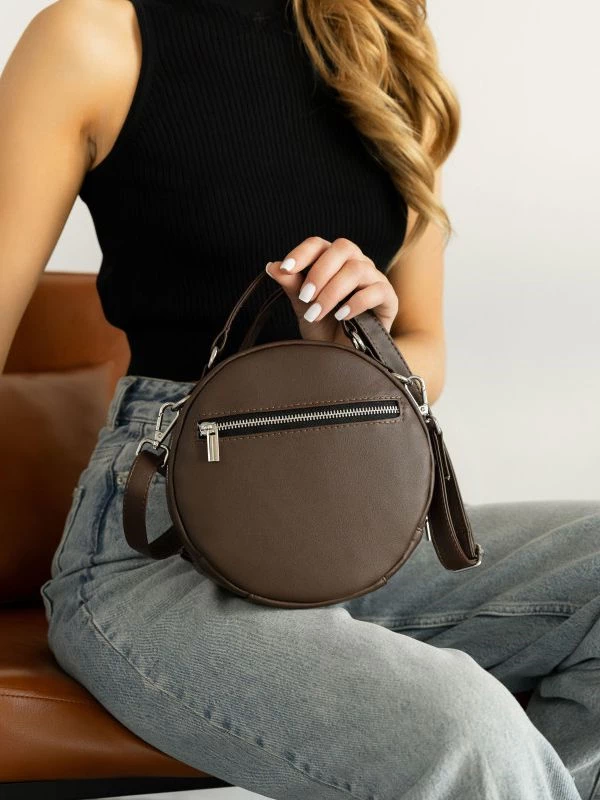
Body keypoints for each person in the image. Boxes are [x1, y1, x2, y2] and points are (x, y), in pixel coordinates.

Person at [0, 0, 598, 797]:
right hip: (157, 553)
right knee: (467, 734)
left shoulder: (386, 49)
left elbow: (425, 348)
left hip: (353, 519)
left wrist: (360, 346)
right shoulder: (96, 36)